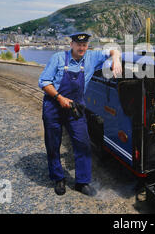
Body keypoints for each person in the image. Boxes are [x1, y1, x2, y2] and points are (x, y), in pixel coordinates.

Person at [38, 32, 122, 196]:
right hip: (53, 107)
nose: (82, 47)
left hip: (75, 108)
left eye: (84, 45)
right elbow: (44, 82)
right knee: (53, 145)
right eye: (78, 44)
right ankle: (58, 178)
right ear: (72, 45)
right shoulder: (58, 58)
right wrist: (59, 97)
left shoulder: (91, 57)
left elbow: (113, 49)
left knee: (82, 144)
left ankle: (82, 182)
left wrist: (116, 59)